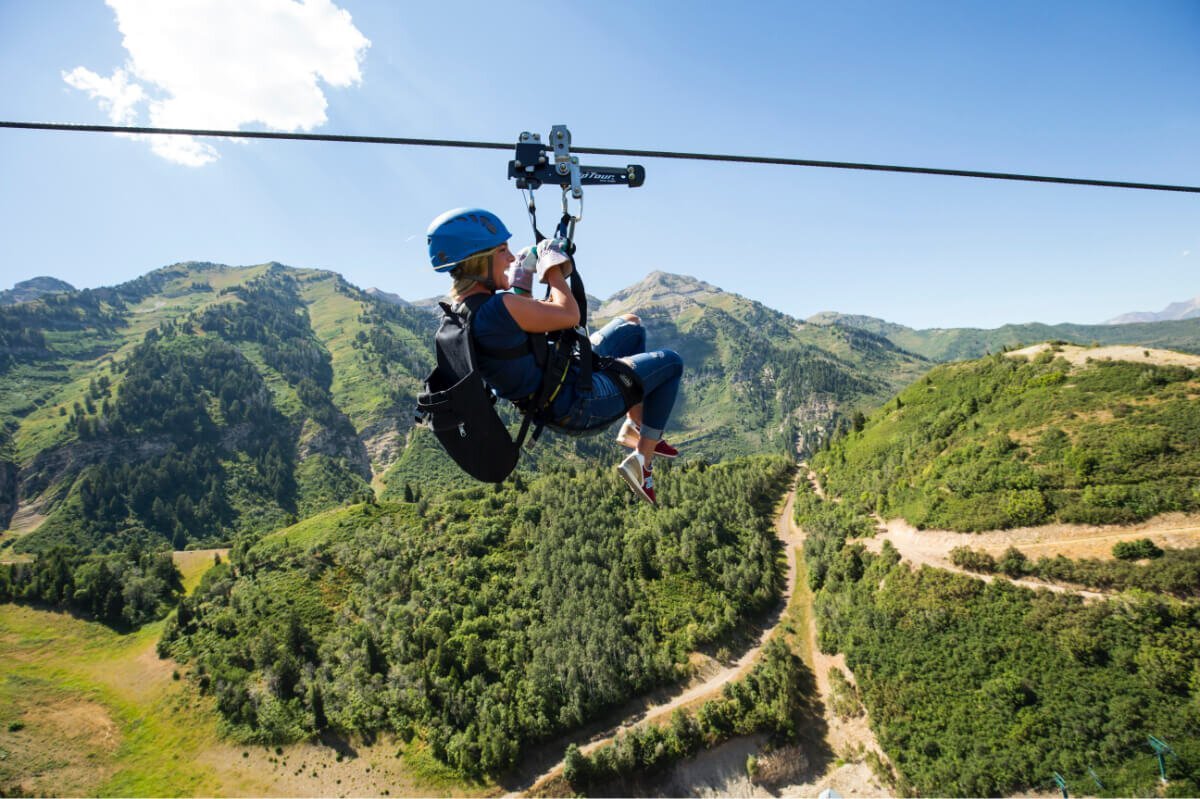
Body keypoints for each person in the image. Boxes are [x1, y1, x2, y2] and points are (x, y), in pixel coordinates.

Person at [427, 207, 683, 504]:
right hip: (579, 404)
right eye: (503, 251)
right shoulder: (499, 308)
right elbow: (569, 313)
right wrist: (551, 269)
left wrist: (524, 271)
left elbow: (523, 317)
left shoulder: (467, 312)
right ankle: (643, 462)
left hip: (556, 383)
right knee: (671, 363)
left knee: (631, 325)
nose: (510, 258)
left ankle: (634, 426)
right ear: (479, 260)